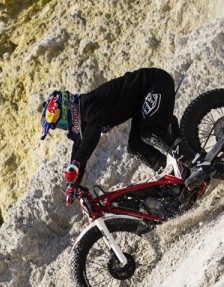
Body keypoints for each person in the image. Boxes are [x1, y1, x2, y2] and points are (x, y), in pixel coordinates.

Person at [40, 68, 208, 202]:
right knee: (136, 147)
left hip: (155, 83)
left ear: (66, 109)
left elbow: (92, 137)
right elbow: (80, 147)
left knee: (150, 133)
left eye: (60, 122)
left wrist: (76, 163)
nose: (63, 127)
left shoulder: (90, 103)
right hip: (142, 102)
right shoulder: (85, 118)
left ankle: (198, 164)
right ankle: (175, 178)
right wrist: (73, 182)